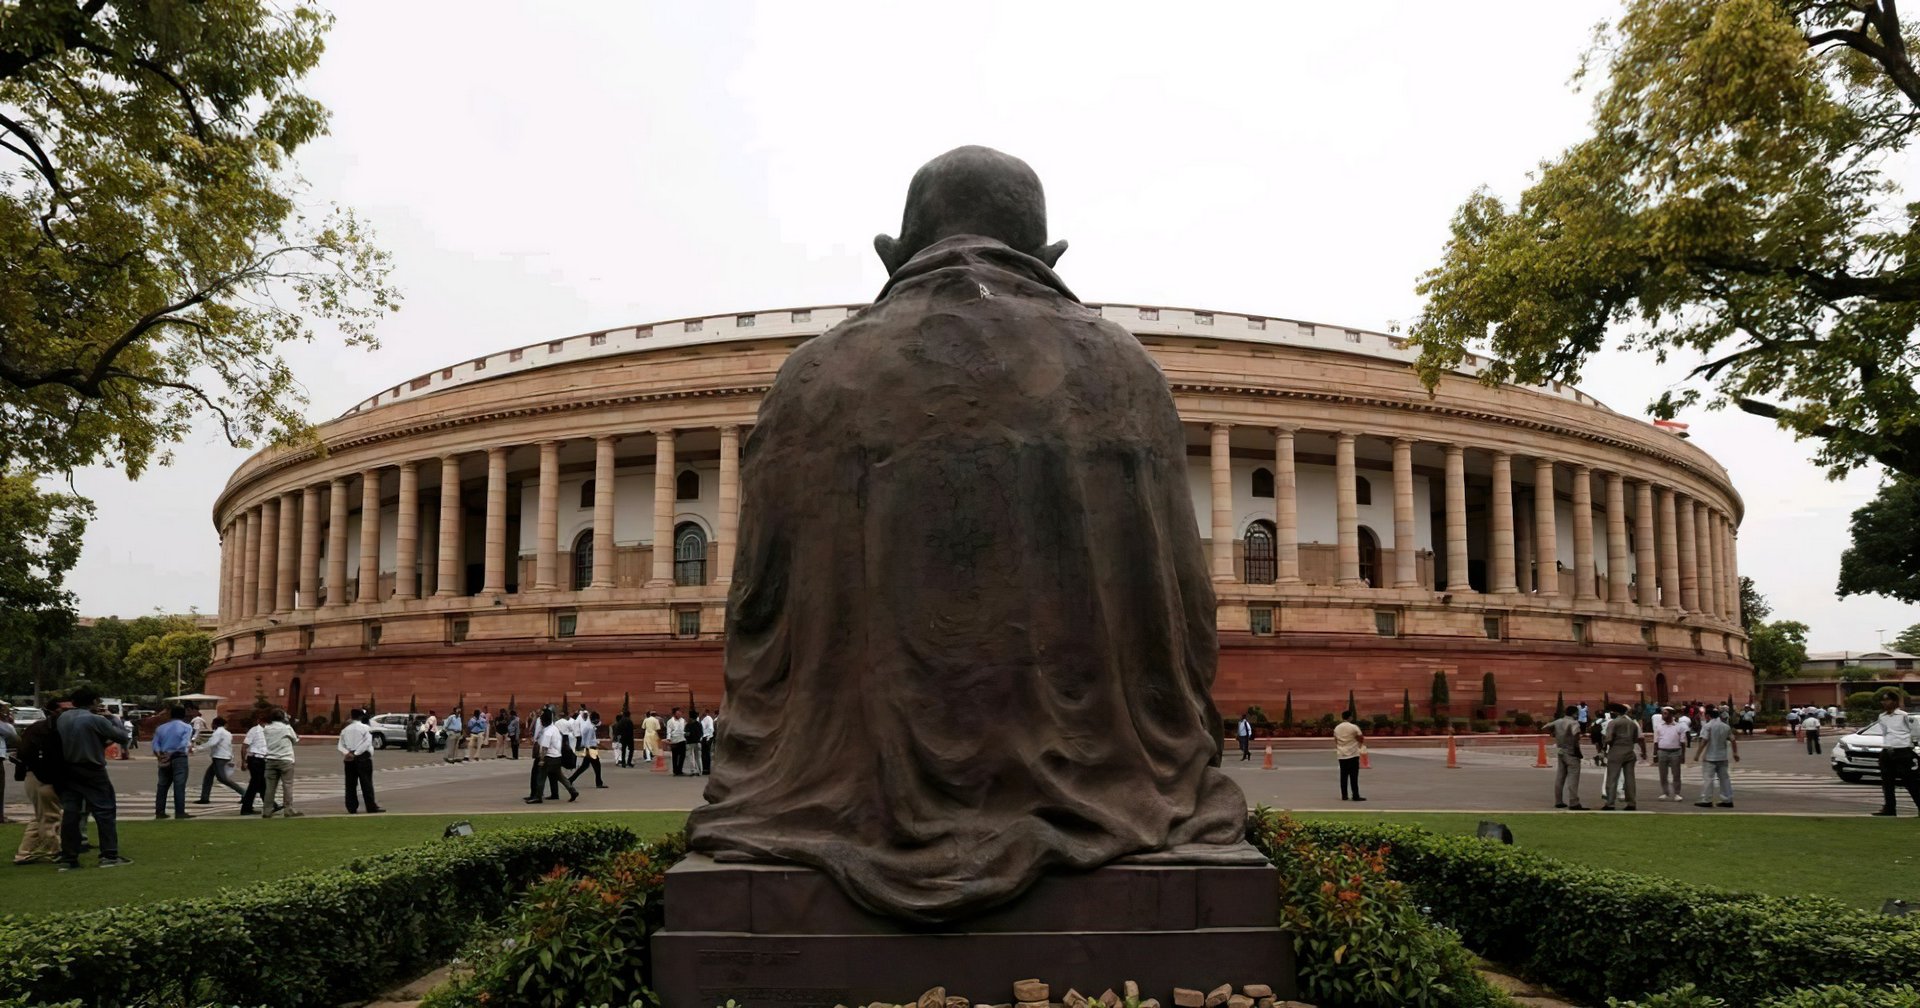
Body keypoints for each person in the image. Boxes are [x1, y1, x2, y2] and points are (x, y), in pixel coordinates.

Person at [55, 686, 132, 869]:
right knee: (104, 810)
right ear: (94, 702)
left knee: (71, 813)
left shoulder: (63, 718)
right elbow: (122, 737)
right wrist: (111, 718)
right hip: (92, 768)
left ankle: (69, 857)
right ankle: (109, 855)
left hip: (69, 768)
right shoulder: (95, 719)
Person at [11, 705, 64, 864]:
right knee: (50, 818)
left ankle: (25, 852)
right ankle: (56, 850)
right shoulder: (49, 731)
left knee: (41, 816)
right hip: (43, 777)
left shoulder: (37, 729)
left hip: (35, 775)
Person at [1871, 688, 1920, 817]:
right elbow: (1885, 732)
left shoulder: (1903, 716)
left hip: (1902, 751)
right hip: (1887, 750)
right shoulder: (1882, 717)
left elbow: (1914, 732)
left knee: (1910, 781)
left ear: (1894, 702)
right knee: (1887, 782)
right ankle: (1889, 808)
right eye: (1883, 700)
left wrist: (1911, 746)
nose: (1884, 703)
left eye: (1887, 700)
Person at [1598, 702, 1646, 811]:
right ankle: (1631, 803)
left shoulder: (1614, 723)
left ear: (1615, 712)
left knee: (1612, 778)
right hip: (1629, 750)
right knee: (1629, 779)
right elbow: (1636, 739)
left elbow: (1608, 738)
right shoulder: (1632, 724)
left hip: (1616, 750)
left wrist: (1605, 748)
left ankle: (1610, 803)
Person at [151, 706, 194, 819]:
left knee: (162, 785)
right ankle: (179, 812)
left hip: (164, 756)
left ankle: (160, 811)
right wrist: (172, 753)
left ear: (171, 715)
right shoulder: (186, 727)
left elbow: (155, 744)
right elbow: (184, 743)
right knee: (179, 785)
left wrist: (160, 756)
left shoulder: (161, 728)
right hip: (179, 757)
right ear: (183, 715)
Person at [338, 708, 384, 814]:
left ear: (351, 716)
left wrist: (347, 753)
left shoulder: (345, 730)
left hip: (349, 758)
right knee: (366, 783)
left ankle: (351, 807)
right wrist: (356, 753)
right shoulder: (365, 728)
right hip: (363, 757)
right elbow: (367, 743)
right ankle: (371, 806)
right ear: (361, 717)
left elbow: (340, 745)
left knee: (350, 784)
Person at [1692, 706, 1739, 808]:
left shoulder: (1707, 726)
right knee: (1724, 779)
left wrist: (1697, 754)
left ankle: (1706, 799)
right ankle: (1727, 799)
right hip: (1722, 757)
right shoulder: (1725, 726)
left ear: (1708, 716)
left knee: (1708, 779)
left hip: (1710, 757)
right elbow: (1733, 740)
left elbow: (1704, 741)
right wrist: (1735, 753)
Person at [193, 717, 246, 805]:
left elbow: (212, 743)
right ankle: (204, 797)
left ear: (215, 724)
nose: (211, 725)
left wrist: (196, 749)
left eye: (212, 723)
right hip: (224, 756)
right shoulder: (227, 733)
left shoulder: (218, 732)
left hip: (219, 757)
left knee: (222, 779)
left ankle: (244, 793)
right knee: (208, 777)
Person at [260, 709, 302, 818]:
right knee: (287, 785)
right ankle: (288, 809)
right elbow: (295, 739)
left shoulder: (267, 728)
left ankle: (267, 810)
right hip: (285, 759)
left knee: (270, 787)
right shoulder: (286, 728)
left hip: (270, 759)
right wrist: (288, 722)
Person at [532, 709, 580, 804]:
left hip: (549, 757)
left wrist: (542, 759)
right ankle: (572, 790)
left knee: (541, 776)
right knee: (560, 776)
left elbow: (545, 748)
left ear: (544, 721)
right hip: (557, 757)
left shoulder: (547, 732)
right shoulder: (555, 729)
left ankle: (538, 796)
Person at [1543, 705, 1586, 810]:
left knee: (1560, 777)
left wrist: (1553, 733)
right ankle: (1574, 802)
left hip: (1560, 750)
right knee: (1573, 778)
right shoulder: (1574, 723)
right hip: (1571, 751)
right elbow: (1575, 735)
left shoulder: (1558, 721)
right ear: (1574, 714)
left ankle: (1558, 800)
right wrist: (1577, 749)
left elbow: (1544, 727)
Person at [1651, 706, 1688, 802]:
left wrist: (1683, 755)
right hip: (1662, 751)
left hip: (1675, 752)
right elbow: (1656, 741)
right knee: (1663, 774)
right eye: (1663, 713)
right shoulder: (1659, 726)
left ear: (1671, 714)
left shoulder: (1679, 726)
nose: (1663, 715)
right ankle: (1665, 792)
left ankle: (1677, 793)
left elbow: (1682, 742)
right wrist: (1655, 754)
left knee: (1676, 774)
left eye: (1665, 713)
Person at [239, 713, 269, 815]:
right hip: (255, 759)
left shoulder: (267, 731)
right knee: (255, 785)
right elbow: (244, 746)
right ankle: (246, 808)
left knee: (262, 784)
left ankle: (270, 805)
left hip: (262, 759)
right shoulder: (254, 730)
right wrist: (243, 761)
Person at [1332, 710, 1365, 801]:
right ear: (1350, 717)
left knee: (1343, 775)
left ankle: (1344, 795)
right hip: (1353, 753)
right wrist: (1358, 743)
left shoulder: (1337, 728)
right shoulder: (1353, 727)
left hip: (1341, 754)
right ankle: (1355, 795)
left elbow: (1335, 739)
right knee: (1354, 776)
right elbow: (1361, 737)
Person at [569, 711, 608, 788]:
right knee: (597, 766)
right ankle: (599, 783)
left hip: (589, 748)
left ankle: (571, 779)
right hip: (591, 748)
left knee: (584, 766)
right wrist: (591, 749)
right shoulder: (590, 728)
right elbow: (588, 740)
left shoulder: (589, 725)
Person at [666, 707, 688, 776]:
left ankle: (680, 770)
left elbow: (685, 729)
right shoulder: (670, 721)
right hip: (674, 740)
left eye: (680, 713)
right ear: (674, 714)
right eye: (678, 713)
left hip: (682, 739)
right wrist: (668, 739)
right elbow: (669, 731)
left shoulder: (683, 720)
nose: (679, 714)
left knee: (682, 755)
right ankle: (675, 771)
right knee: (675, 756)